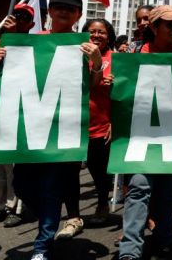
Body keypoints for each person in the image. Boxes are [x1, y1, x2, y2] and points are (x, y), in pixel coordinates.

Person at [0, 0, 103, 260]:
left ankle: (42, 244)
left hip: (63, 131)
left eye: (70, 8)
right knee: (22, 186)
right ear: (50, 12)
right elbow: (5, 76)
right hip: (30, 131)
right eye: (58, 6)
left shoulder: (84, 47)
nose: (63, 11)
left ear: (78, 15)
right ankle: (49, 218)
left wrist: (97, 64)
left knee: (52, 188)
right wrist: (0, 57)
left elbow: (90, 87)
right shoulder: (31, 42)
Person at [119, 5, 172, 260]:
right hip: (141, 134)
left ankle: (164, 239)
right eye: (169, 24)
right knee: (140, 186)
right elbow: (120, 93)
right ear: (153, 28)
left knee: (166, 192)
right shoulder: (134, 52)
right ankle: (130, 250)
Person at [0, 3, 36, 228]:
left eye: (24, 17)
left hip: (22, 109)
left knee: (14, 160)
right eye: (15, 15)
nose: (18, 19)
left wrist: (13, 39)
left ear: (31, 24)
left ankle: (17, 206)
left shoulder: (34, 45)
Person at [58, 19, 116, 233]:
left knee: (99, 172)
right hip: (72, 125)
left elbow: (124, 93)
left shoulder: (116, 59)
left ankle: (102, 204)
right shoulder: (72, 56)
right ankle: (73, 217)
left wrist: (115, 120)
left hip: (101, 126)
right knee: (69, 172)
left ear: (108, 36)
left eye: (101, 32)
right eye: (92, 32)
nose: (97, 36)